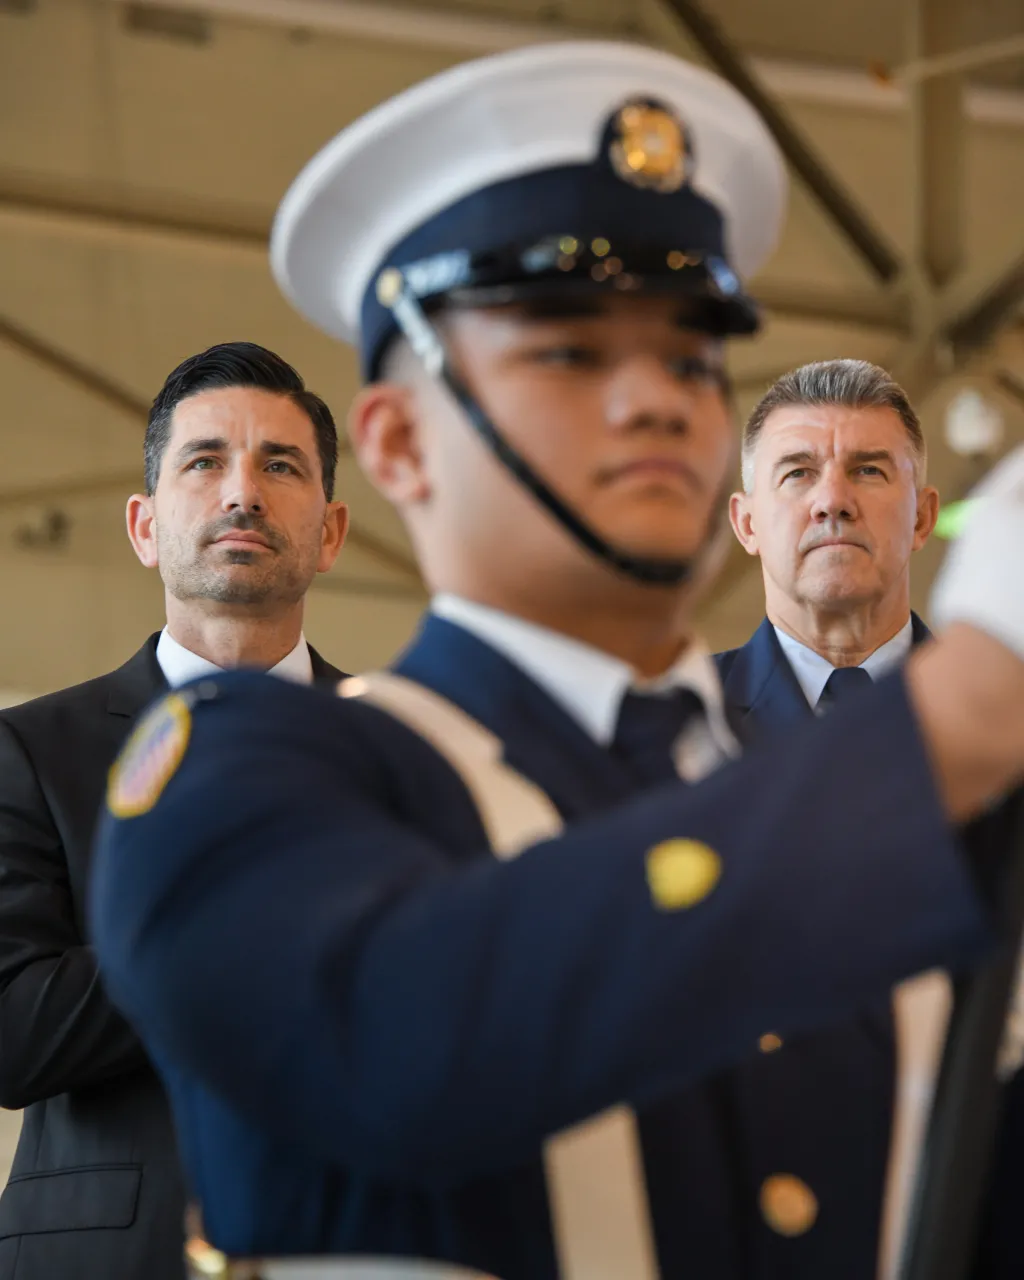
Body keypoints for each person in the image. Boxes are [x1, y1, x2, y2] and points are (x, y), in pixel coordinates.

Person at [88, 41, 1024, 1280]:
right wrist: (962, 706)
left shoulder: (810, 795)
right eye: (570, 350)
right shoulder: (243, 771)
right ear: (401, 442)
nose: (656, 397)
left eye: (691, 355)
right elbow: (406, 1040)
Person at [0, 342, 347, 1280]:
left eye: (281, 466)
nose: (244, 492)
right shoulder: (28, 751)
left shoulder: (409, 744)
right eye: (205, 462)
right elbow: (14, 1032)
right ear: (145, 525)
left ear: (332, 531)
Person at [717, 358, 938, 726]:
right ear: (747, 524)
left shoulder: (1009, 717)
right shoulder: (670, 725)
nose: (833, 501)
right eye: (798, 473)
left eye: (869, 471)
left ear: (921, 517)